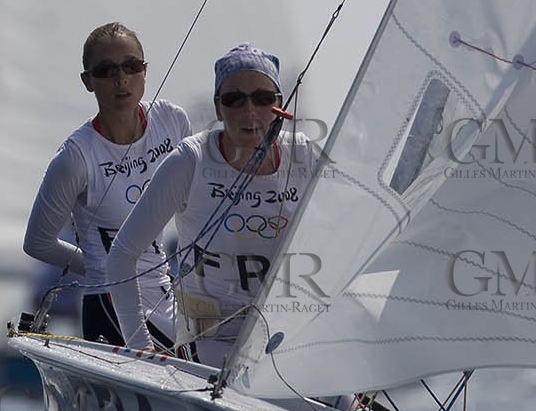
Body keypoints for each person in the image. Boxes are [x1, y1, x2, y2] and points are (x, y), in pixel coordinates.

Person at [106, 43, 317, 367]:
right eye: (234, 99)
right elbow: (121, 255)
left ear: (279, 105)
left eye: (262, 98)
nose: (249, 111)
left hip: (285, 339)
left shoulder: (304, 155)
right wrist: (140, 349)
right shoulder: (191, 160)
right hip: (210, 342)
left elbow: (353, 237)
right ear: (218, 108)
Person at [23, 22, 189, 347]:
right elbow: (37, 243)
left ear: (145, 71)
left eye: (131, 66)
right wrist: (102, 266)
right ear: (88, 81)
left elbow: (194, 205)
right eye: (106, 70)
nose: (121, 79)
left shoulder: (171, 121)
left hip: (166, 295)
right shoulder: (75, 157)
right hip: (108, 299)